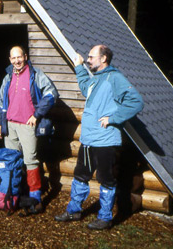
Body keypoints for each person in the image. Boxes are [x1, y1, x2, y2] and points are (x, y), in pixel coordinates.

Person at [54, 45, 144, 230]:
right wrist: (79, 67)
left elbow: (136, 102)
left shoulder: (115, 78)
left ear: (103, 59)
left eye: (91, 57)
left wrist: (113, 118)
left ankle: (104, 218)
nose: (88, 59)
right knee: (80, 176)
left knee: (106, 179)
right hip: (88, 140)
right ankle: (73, 211)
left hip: (105, 141)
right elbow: (86, 88)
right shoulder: (96, 79)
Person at [0, 46, 58, 213]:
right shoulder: (7, 77)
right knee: (11, 161)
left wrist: (37, 115)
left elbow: (51, 94)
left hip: (27, 125)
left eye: (19, 57)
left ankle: (35, 198)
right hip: (10, 125)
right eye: (13, 58)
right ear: (10, 59)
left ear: (25, 56)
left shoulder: (35, 74)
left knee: (30, 161)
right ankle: (13, 195)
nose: (17, 61)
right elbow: (1, 103)